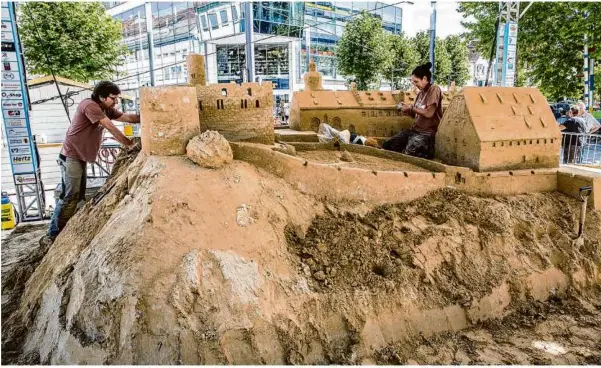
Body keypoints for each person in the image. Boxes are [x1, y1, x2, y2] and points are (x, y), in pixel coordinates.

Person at [40, 81, 140, 245]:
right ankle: (53, 235)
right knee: (70, 196)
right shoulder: (89, 105)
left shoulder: (106, 108)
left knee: (77, 195)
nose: (115, 102)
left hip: (81, 157)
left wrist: (149, 116)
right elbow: (109, 126)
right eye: (113, 98)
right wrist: (128, 144)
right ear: (102, 96)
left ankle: (61, 231)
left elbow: (126, 117)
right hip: (71, 155)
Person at [382, 62, 442, 159]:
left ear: (425, 79)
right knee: (388, 145)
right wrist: (407, 111)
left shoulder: (434, 89)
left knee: (409, 153)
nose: (414, 85)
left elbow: (429, 113)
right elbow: (416, 115)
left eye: (416, 82)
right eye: (413, 82)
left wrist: (411, 107)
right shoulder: (420, 94)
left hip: (426, 134)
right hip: (414, 131)